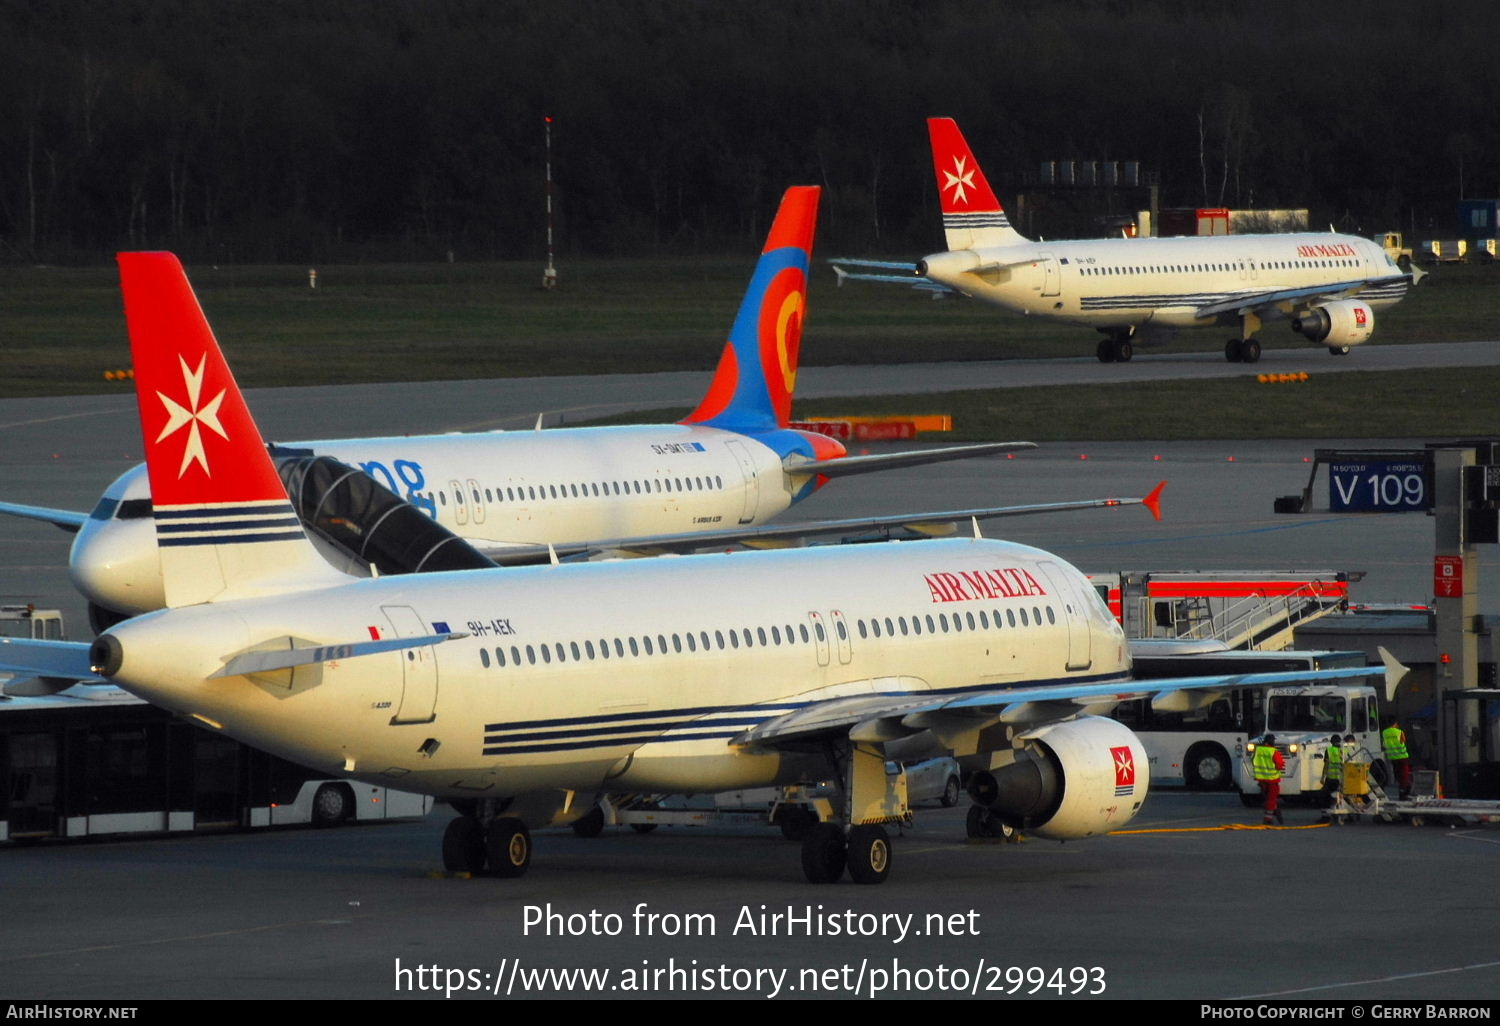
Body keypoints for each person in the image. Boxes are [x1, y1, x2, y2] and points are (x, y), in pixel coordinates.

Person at [1253, 733, 1286, 825]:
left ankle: (1275, 811)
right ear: (1271, 741)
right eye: (1273, 740)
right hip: (1272, 779)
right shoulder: (1273, 751)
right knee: (1271, 799)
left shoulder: (1258, 750)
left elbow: (1254, 761)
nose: (1274, 742)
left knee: (1268, 799)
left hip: (1261, 779)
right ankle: (1267, 819)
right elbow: (1279, 765)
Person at [1382, 714, 1412, 798]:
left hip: (1392, 757)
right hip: (1402, 756)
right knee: (1404, 774)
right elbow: (1404, 741)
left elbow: (1384, 744)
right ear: (1395, 723)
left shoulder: (1384, 732)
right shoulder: (1400, 732)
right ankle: (1404, 790)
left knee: (1397, 774)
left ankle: (1401, 788)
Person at [1323, 733, 1344, 809]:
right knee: (1340, 795)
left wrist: (1323, 777)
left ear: (1331, 742)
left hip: (1331, 778)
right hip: (1342, 778)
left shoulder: (1329, 750)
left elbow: (1326, 765)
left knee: (1327, 796)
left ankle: (1327, 814)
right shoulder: (1344, 750)